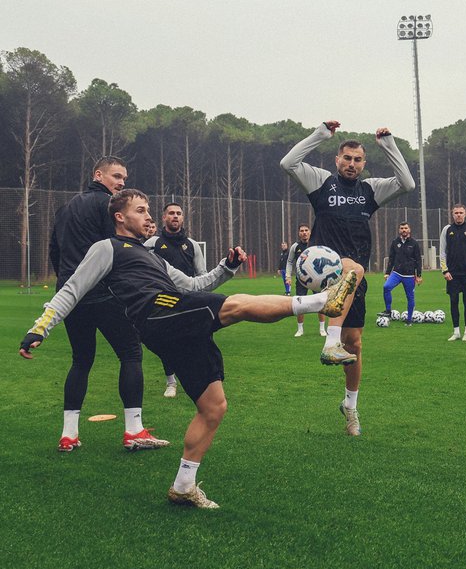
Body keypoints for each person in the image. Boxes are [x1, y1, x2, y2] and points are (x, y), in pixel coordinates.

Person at [20, 189, 357, 509]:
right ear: (119, 217)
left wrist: (227, 266)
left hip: (174, 320)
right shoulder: (106, 247)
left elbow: (195, 285)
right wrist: (40, 328)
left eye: (149, 210)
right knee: (236, 306)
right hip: (158, 310)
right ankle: (322, 301)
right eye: (141, 210)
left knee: (213, 407)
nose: (148, 216)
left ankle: (183, 486)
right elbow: (71, 289)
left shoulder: (151, 256)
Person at [281, 120, 415, 436]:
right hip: (321, 267)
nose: (351, 164)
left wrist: (389, 145)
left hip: (354, 283)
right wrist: (321, 134)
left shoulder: (371, 190)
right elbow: (288, 163)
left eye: (357, 160)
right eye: (346, 158)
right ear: (337, 160)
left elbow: (407, 183)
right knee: (352, 269)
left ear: (364, 164)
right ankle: (329, 340)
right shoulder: (321, 182)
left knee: (353, 344)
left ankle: (350, 407)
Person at [48, 156, 165, 453]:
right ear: (98, 174)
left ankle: (69, 435)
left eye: (124, 178)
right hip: (102, 292)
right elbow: (116, 249)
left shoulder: (63, 209)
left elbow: (55, 252)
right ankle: (134, 431)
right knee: (130, 353)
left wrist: (69, 285)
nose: (122, 182)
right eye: (117, 176)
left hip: (72, 293)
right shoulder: (111, 207)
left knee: (81, 360)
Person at [143, 202, 207, 398]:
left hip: (188, 301)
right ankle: (171, 382)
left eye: (178, 213)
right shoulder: (152, 244)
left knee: (195, 341)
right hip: (162, 301)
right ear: (164, 218)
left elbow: (202, 275)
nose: (175, 216)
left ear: (183, 217)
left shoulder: (193, 245)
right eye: (171, 213)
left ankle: (199, 380)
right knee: (166, 343)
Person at [439, 204, 466, 342]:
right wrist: (444, 270)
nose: (458, 215)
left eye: (461, 212)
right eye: (456, 213)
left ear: (465, 214)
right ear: (452, 214)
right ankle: (456, 331)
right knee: (453, 302)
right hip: (452, 274)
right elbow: (442, 252)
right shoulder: (447, 230)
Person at [285, 223, 327, 338]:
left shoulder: (316, 245)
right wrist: (288, 276)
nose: (304, 232)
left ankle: (322, 329)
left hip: (316, 279)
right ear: (299, 233)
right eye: (301, 231)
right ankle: (300, 330)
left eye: (306, 230)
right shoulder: (295, 246)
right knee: (300, 304)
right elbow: (289, 262)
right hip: (301, 279)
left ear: (309, 232)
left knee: (320, 302)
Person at [382, 221, 422, 325]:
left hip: (409, 275)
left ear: (409, 230)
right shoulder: (395, 242)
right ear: (399, 230)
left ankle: (409, 320)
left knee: (410, 297)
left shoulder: (414, 243)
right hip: (396, 273)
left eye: (405, 228)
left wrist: (419, 276)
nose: (404, 230)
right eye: (402, 228)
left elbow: (418, 260)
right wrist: (387, 273)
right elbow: (391, 258)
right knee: (386, 287)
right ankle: (388, 310)